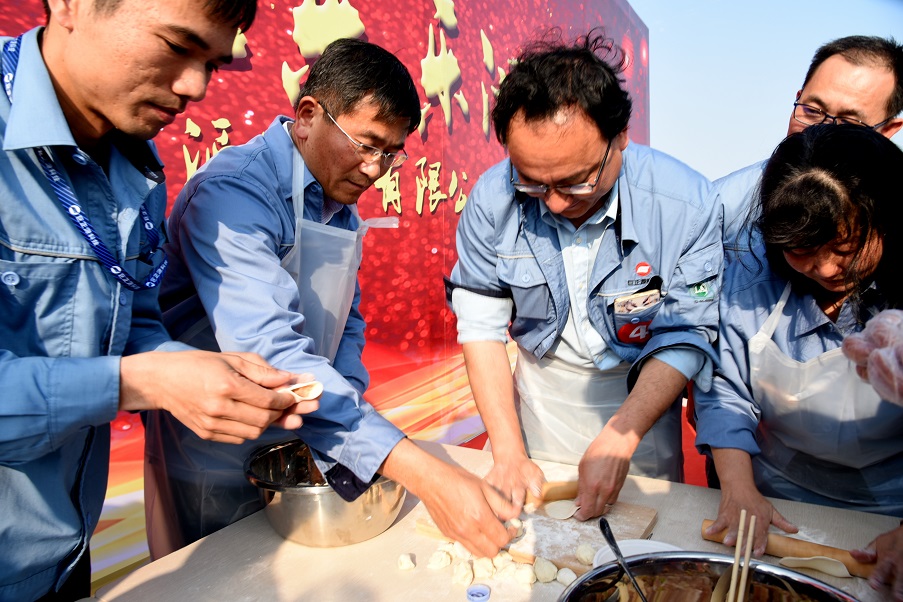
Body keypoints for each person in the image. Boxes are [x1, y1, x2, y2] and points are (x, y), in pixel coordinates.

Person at [144, 37, 517, 560]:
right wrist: (423, 473)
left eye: (390, 153)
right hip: (214, 451)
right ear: (307, 115)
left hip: (307, 430)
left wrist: (350, 424)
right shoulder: (233, 193)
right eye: (366, 144)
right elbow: (271, 355)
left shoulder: (337, 203)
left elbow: (345, 323)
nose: (374, 169)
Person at [0, 1, 316, 600]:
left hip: (63, 556)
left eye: (213, 64)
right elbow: (131, 372)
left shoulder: (135, 169)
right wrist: (140, 384)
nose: (195, 86)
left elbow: (136, 321)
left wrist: (194, 367)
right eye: (177, 46)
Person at [445, 29, 722, 521]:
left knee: (642, 533)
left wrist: (622, 434)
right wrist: (508, 452)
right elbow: (481, 327)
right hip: (541, 399)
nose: (553, 203)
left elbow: (687, 333)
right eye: (533, 183)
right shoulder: (492, 199)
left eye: (576, 182)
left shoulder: (686, 204)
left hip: (639, 402)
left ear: (621, 138)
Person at [694, 124, 903, 599]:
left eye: (845, 250)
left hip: (890, 508)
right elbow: (725, 390)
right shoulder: (751, 283)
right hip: (777, 499)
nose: (826, 269)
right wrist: (739, 488)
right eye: (801, 252)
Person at [719, 35, 903, 262]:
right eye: (812, 111)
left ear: (887, 131)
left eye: (849, 122)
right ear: (798, 98)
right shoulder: (719, 211)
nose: (820, 130)